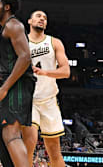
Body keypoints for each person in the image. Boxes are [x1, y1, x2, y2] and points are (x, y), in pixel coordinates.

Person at [0, 0, 35, 167]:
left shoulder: (13, 25)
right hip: (16, 83)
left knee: (11, 134)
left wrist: (5, 87)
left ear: (7, 7)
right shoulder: (6, 28)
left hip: (18, 84)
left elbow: (25, 57)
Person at [21, 10, 69, 167]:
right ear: (29, 21)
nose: (42, 19)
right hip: (29, 99)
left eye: (44, 18)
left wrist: (46, 72)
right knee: (29, 141)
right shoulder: (21, 42)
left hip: (49, 100)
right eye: (38, 16)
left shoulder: (55, 42)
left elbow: (66, 71)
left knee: (54, 151)